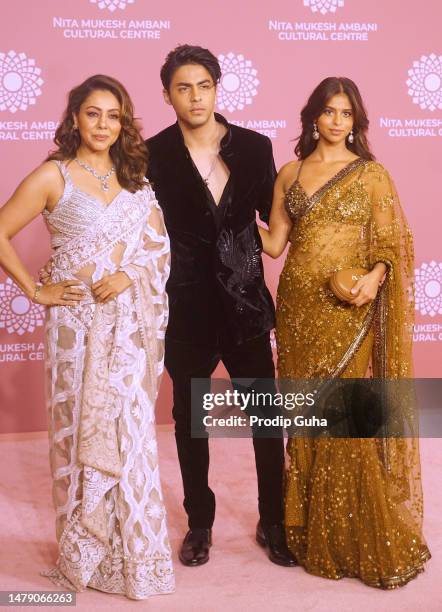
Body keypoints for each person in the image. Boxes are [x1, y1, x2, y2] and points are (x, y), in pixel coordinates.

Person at [0, 75, 174, 599]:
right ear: (74, 117)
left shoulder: (137, 180)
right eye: (93, 114)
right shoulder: (53, 175)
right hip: (75, 331)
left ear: (124, 123)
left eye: (114, 116)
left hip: (128, 331)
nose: (103, 125)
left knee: (132, 434)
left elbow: (159, 250)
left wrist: (131, 275)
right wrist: (35, 290)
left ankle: (133, 556)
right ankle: (89, 554)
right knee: (82, 434)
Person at [259, 77, 431, 588]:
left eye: (346, 114)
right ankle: (311, 528)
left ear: (356, 122)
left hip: (347, 304)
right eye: (329, 111)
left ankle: (357, 530)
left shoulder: (372, 175)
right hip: (297, 306)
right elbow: (274, 245)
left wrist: (374, 281)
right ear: (313, 115)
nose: (337, 121)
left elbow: (390, 244)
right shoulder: (290, 172)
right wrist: (224, 217)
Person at [146, 45, 296, 567]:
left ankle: (273, 521)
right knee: (190, 422)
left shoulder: (254, 148)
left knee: (265, 418)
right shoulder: (152, 154)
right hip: (184, 308)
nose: (195, 96)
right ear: (167, 94)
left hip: (246, 304)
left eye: (203, 85)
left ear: (217, 87)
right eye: (183, 87)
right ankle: (200, 524)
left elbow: (273, 223)